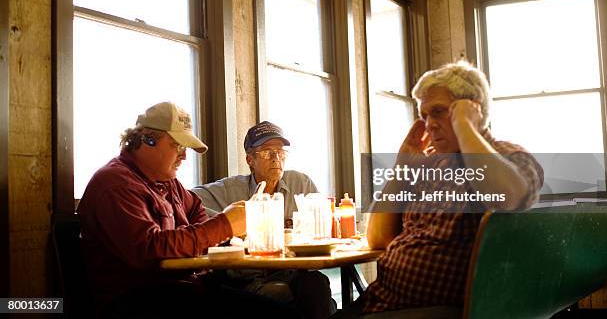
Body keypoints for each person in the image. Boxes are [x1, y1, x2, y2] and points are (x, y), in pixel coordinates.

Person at [338, 61, 544, 318]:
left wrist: (466, 126)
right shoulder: (429, 165)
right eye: (424, 116)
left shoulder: (508, 155)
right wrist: (401, 168)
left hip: (438, 311)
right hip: (382, 301)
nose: (429, 124)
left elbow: (508, 195)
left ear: (471, 109)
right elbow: (378, 239)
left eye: (438, 112)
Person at [77, 102, 300, 318]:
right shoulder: (116, 184)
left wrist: (219, 230)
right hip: (139, 301)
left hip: (183, 289)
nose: (184, 156)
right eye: (178, 146)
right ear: (148, 140)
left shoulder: (167, 181)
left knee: (290, 305)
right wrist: (225, 225)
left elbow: (197, 214)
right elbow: (150, 250)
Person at [191, 121, 336, 319]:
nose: (276, 158)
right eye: (267, 152)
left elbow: (325, 222)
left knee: (317, 284)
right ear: (250, 159)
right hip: (248, 278)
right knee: (284, 298)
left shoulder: (300, 183)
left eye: (281, 151)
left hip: (292, 272)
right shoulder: (231, 190)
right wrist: (230, 223)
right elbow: (188, 200)